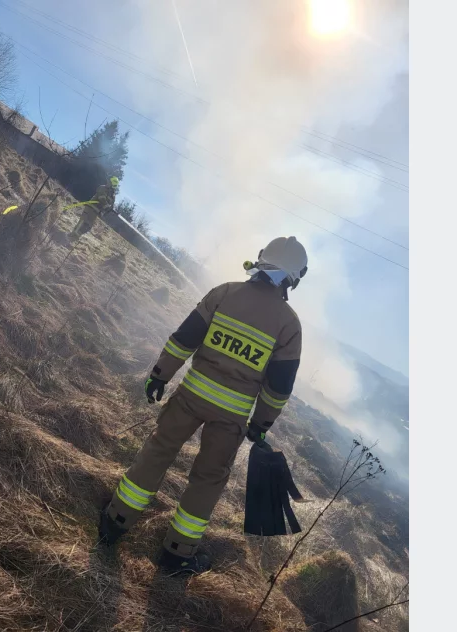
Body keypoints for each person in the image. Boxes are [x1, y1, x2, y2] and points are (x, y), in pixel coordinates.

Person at [98, 236, 308, 574]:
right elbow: (279, 387)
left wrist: (160, 375)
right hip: (231, 417)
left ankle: (116, 521)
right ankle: (177, 553)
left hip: (190, 396)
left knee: (158, 451)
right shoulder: (289, 324)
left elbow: (185, 338)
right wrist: (260, 424)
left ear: (261, 259)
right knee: (208, 480)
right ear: (295, 278)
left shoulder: (225, 292)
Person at [69, 176, 119, 241]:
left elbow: (111, 206)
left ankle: (76, 235)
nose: (107, 182)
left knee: (88, 226)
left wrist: (108, 211)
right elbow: (101, 198)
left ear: (112, 184)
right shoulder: (102, 188)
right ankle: (72, 235)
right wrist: (107, 206)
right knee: (83, 221)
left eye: (109, 181)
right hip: (91, 207)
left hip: (96, 211)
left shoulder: (113, 196)